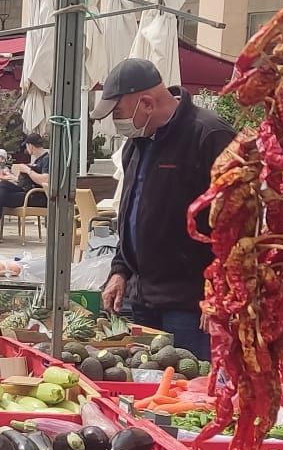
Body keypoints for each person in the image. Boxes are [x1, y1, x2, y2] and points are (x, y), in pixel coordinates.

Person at [95, 57, 237, 358]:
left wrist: (220, 295)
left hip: (190, 304)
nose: (115, 123)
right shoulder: (137, 143)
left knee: (189, 392)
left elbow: (240, 225)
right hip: (142, 299)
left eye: (118, 113)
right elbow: (132, 214)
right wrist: (120, 270)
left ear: (146, 103)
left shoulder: (210, 136)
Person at [0, 133, 49, 238]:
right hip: (26, 191)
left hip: (35, 196)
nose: (26, 149)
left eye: (26, 146)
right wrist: (15, 178)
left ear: (30, 146)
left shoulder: (46, 159)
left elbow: (45, 180)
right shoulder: (37, 159)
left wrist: (28, 170)